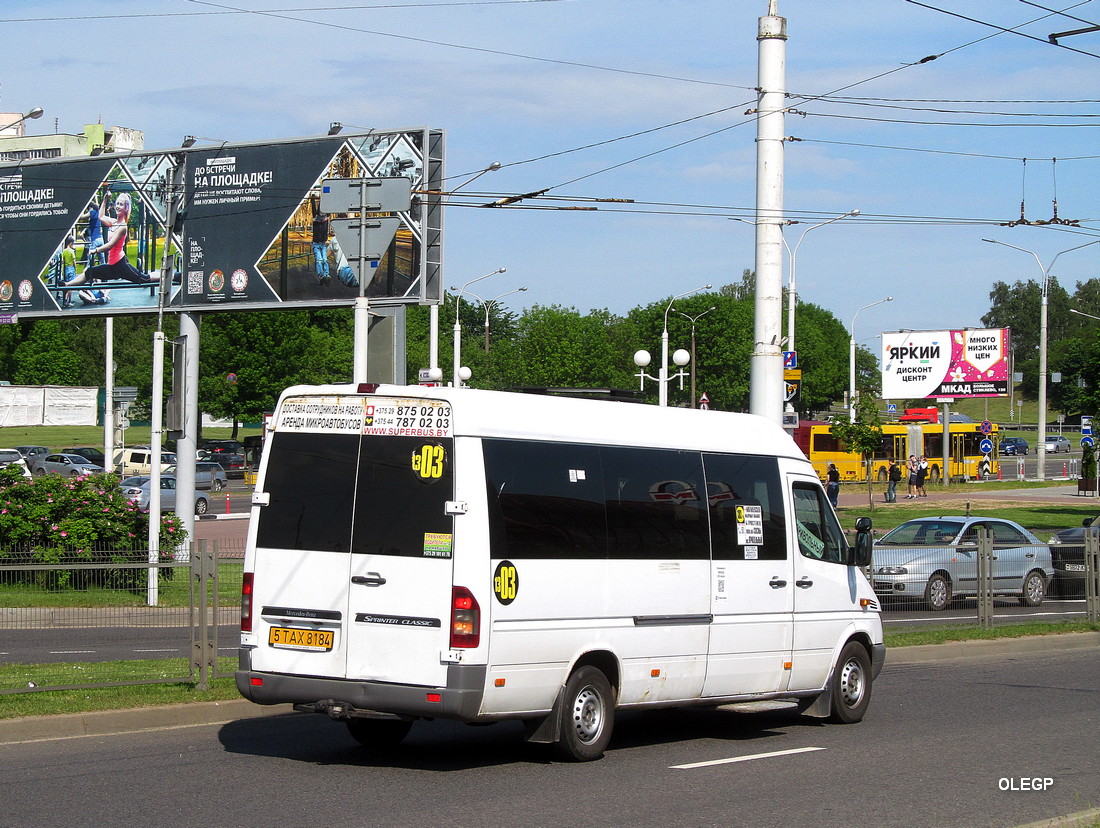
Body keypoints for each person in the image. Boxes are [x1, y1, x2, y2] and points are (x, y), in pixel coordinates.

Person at [65, 193, 152, 288]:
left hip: (120, 266)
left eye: (121, 204)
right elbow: (101, 216)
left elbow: (110, 245)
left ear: (126, 208)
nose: (118, 206)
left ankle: (164, 276)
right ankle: (66, 285)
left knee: (145, 279)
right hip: (112, 266)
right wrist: (105, 199)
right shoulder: (113, 222)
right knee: (89, 272)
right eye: (117, 203)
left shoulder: (123, 227)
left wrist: (96, 250)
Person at [312, 209, 331, 285]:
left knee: (325, 260)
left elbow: (328, 207)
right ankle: (321, 275)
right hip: (316, 243)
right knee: (319, 260)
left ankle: (326, 274)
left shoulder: (326, 218)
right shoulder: (315, 217)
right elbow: (314, 208)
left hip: (323, 243)